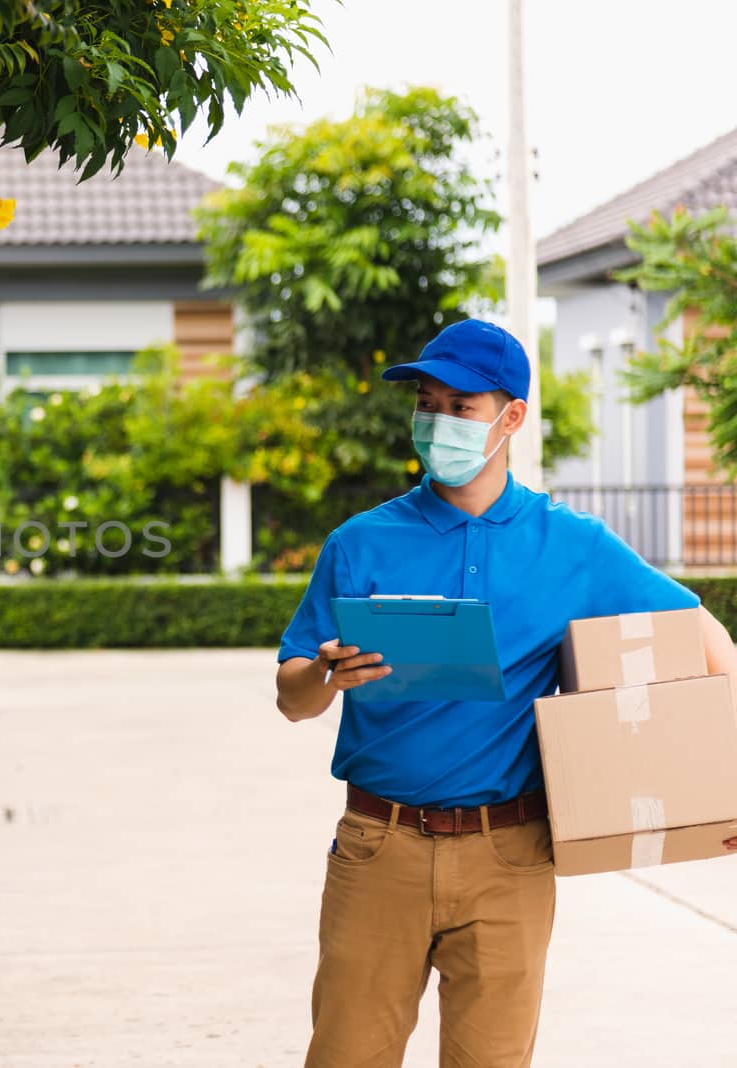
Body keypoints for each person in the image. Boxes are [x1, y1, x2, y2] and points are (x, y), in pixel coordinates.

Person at [274, 318, 737, 1067]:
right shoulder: (359, 543)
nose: (438, 423)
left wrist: (725, 779)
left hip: (510, 858)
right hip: (377, 849)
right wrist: (324, 676)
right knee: (346, 1056)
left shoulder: (573, 545)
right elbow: (291, 697)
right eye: (427, 404)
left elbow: (705, 634)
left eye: (461, 407)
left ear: (511, 416)